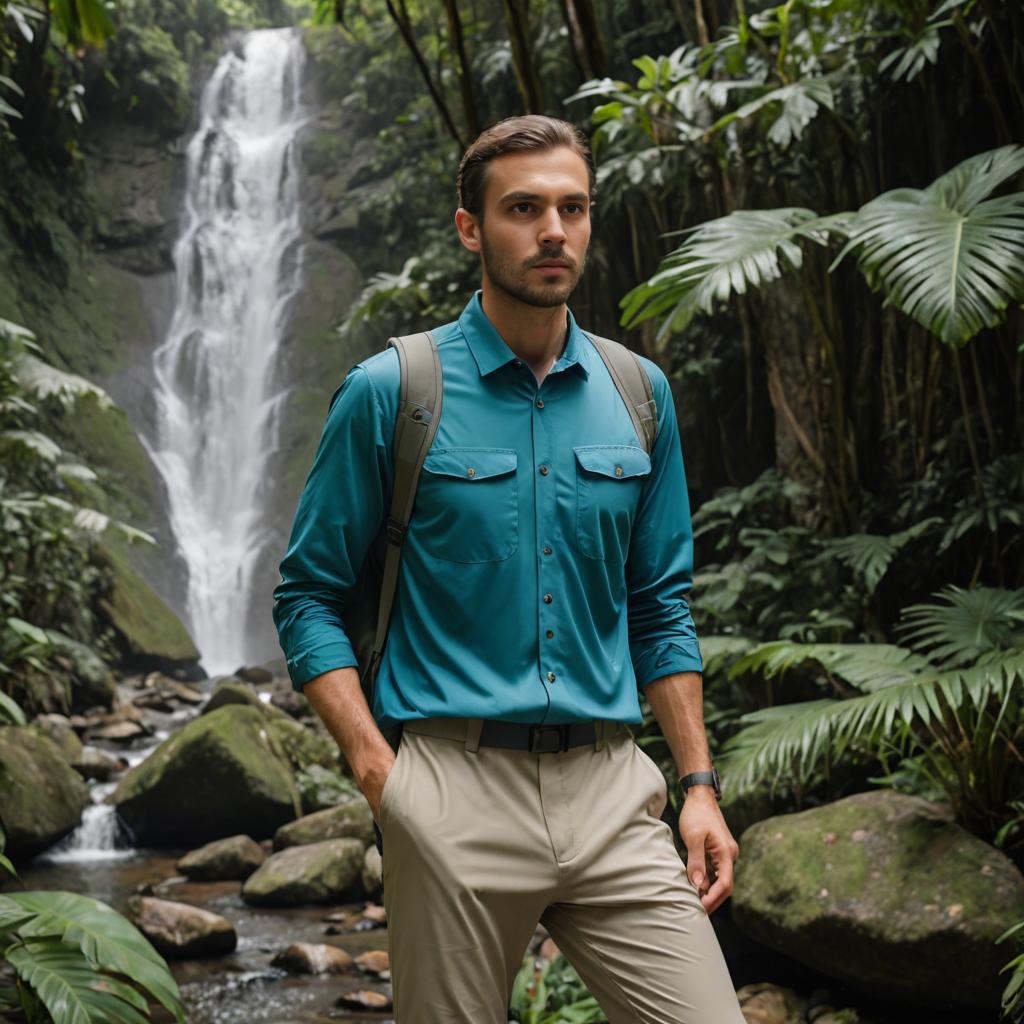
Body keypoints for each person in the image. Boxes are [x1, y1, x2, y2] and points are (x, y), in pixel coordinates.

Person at [272, 114, 745, 1024]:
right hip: (451, 782)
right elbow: (308, 594)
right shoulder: (394, 391)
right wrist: (383, 776)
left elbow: (660, 604)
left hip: (613, 789)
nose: (553, 231)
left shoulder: (639, 395)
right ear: (470, 228)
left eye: (573, 208)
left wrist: (698, 788)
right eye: (524, 208)